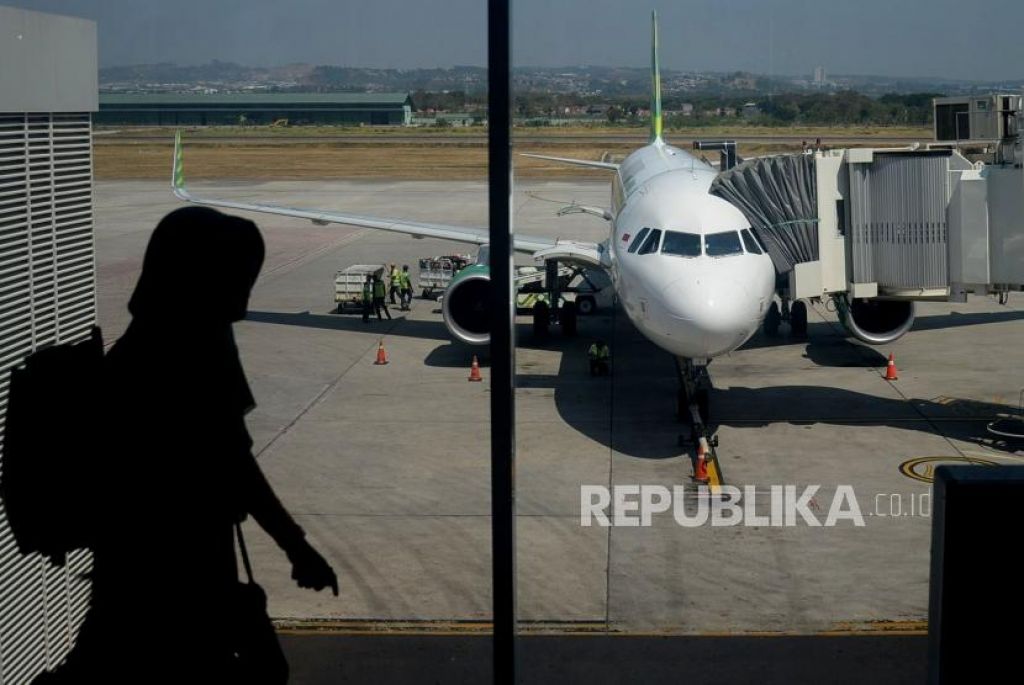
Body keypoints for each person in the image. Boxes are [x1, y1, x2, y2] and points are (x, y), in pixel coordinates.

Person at [46, 207, 339, 683]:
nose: (244, 296)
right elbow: (234, 463)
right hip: (175, 573)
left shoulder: (140, 350)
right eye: (239, 278)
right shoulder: (188, 353)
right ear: (201, 279)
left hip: (136, 572)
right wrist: (296, 547)